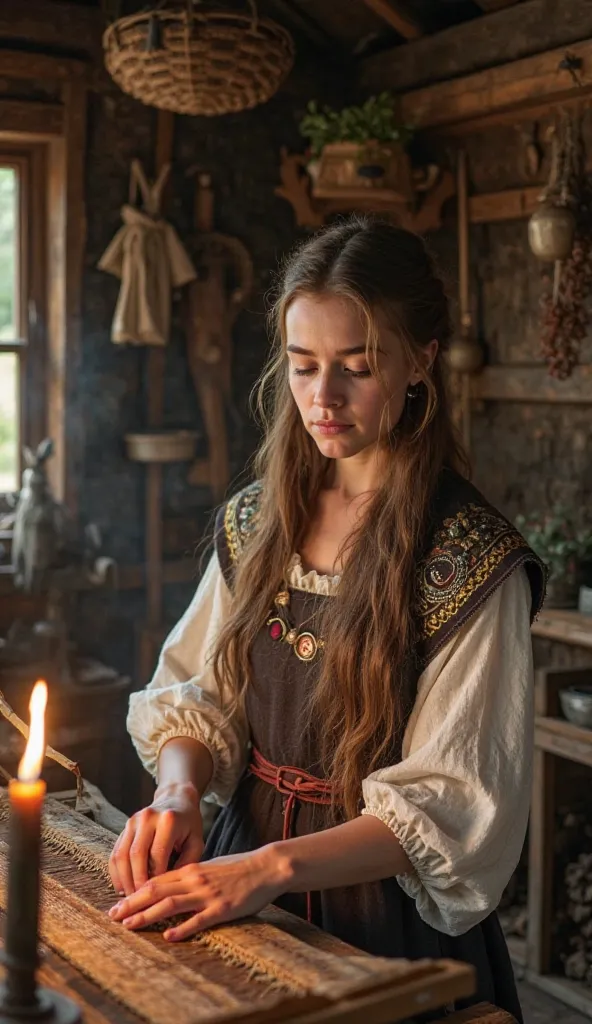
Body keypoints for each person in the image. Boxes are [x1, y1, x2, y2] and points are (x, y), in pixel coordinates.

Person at [108, 216, 545, 1020]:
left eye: (357, 367)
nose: (323, 398)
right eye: (304, 366)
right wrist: (177, 792)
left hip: (381, 920)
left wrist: (269, 869)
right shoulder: (258, 520)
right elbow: (201, 693)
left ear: (420, 360)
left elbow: (454, 801)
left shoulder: (471, 562)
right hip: (234, 873)